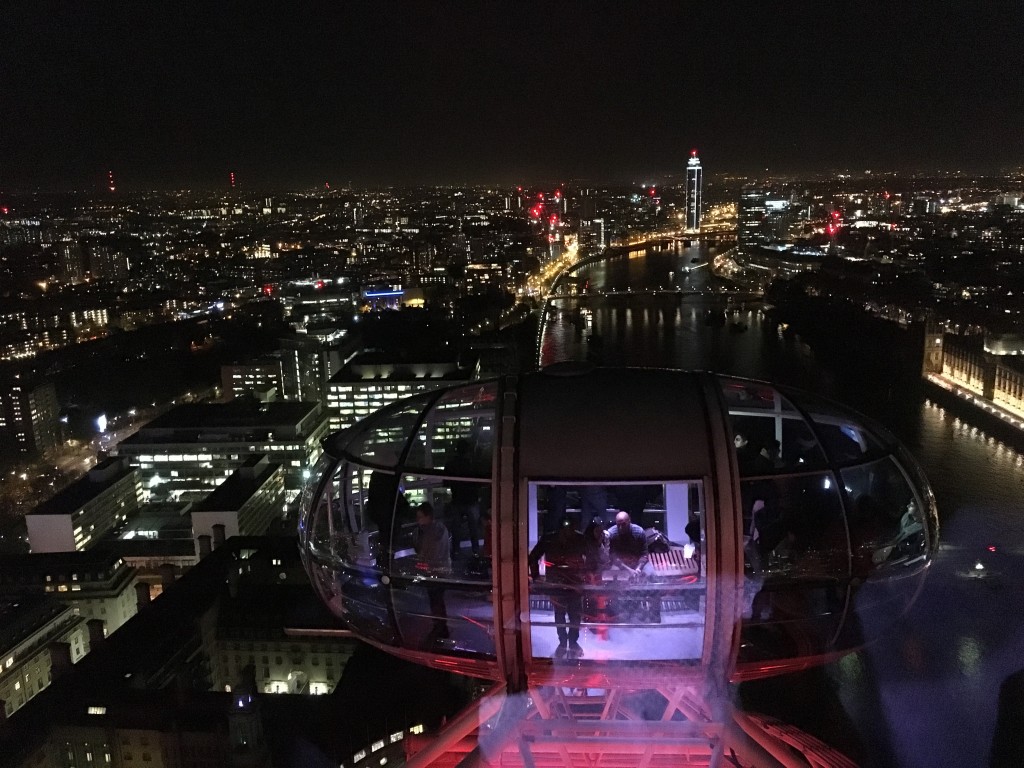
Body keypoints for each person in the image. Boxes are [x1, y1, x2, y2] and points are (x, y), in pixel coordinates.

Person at [529, 518, 588, 658]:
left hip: (574, 582)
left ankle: (572, 643)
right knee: (560, 613)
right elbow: (533, 557)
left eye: (570, 530)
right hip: (557, 583)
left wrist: (585, 574)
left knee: (574, 614)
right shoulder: (550, 539)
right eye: (565, 530)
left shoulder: (580, 538)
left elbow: (592, 558)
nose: (567, 532)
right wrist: (536, 577)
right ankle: (563, 643)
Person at [414, 503, 451, 642]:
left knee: (436, 601)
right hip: (438, 570)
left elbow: (428, 553)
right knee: (437, 601)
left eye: (420, 517)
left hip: (435, 572)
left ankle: (440, 628)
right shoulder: (436, 529)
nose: (418, 520)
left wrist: (423, 566)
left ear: (428, 516)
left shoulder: (433, 532)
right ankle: (441, 627)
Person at [444, 439, 482, 558]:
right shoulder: (473, 464)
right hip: (471, 500)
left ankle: (455, 551)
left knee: (456, 528)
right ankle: (475, 551)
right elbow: (478, 482)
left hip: (457, 499)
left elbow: (445, 482)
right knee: (474, 528)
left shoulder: (451, 464)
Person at [606, 511, 649, 579]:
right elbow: (613, 557)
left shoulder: (639, 532)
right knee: (613, 575)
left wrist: (638, 568)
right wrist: (628, 570)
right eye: (618, 525)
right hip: (620, 565)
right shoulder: (612, 534)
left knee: (650, 573)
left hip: (637, 563)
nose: (620, 528)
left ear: (629, 521)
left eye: (623, 524)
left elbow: (644, 554)